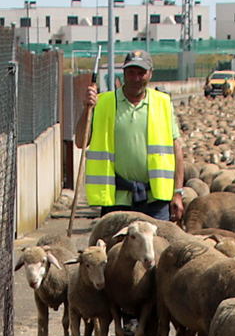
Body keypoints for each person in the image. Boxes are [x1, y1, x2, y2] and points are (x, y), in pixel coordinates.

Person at [77, 50, 181, 220]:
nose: (136, 78)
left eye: (142, 73)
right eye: (131, 73)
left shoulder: (163, 103)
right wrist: (86, 109)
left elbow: (176, 150)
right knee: (116, 246)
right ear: (124, 73)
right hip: (117, 198)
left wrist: (177, 192)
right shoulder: (103, 103)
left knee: (158, 245)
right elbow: (81, 142)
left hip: (155, 198)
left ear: (150, 73)